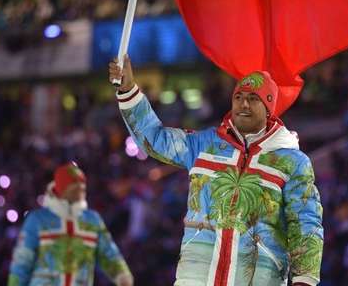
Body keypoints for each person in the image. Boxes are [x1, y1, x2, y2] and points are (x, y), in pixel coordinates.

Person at [109, 57, 324, 286]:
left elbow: (305, 223)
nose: (243, 104)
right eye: (238, 97)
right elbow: (154, 139)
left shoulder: (291, 162)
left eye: (253, 99)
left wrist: (304, 280)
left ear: (269, 107)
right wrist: (128, 91)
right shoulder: (204, 145)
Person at [8, 161, 134, 286]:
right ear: (62, 189)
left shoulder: (92, 221)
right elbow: (22, 260)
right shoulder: (38, 220)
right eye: (74, 187)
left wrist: (121, 275)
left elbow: (108, 252)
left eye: (82, 187)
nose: (80, 192)